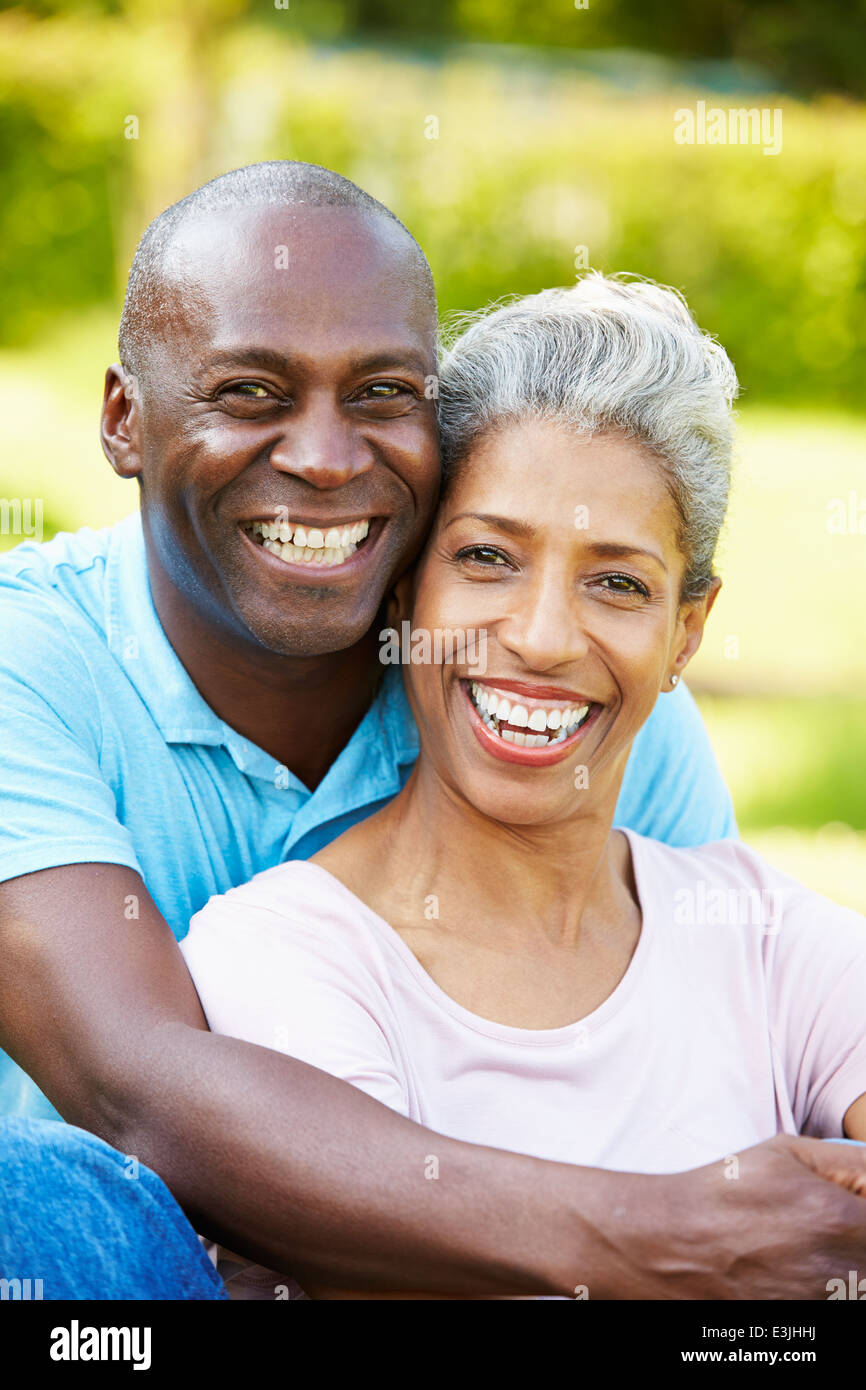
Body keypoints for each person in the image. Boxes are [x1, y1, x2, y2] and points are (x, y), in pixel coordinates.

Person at [0, 161, 861, 1300]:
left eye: (380, 393)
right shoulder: (34, 670)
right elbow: (137, 1092)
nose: (323, 458)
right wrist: (670, 1236)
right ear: (125, 418)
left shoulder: (599, 725)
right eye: (251, 391)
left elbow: (706, 986)